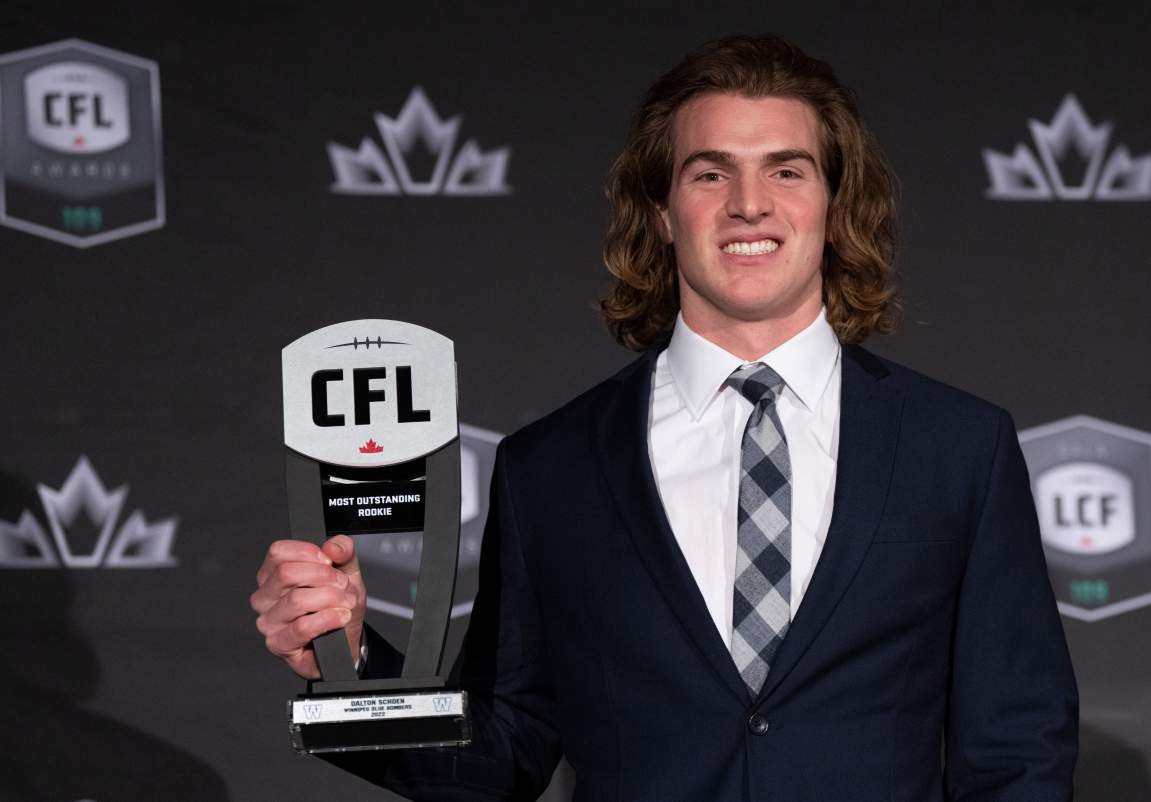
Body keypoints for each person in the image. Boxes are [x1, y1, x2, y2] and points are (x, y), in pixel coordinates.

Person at [251, 34, 1078, 800]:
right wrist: (352, 659)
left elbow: (1018, 754)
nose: (749, 205)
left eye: (787, 171)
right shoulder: (552, 467)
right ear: (659, 212)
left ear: (834, 205)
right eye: (710, 173)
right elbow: (502, 754)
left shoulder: (959, 447)